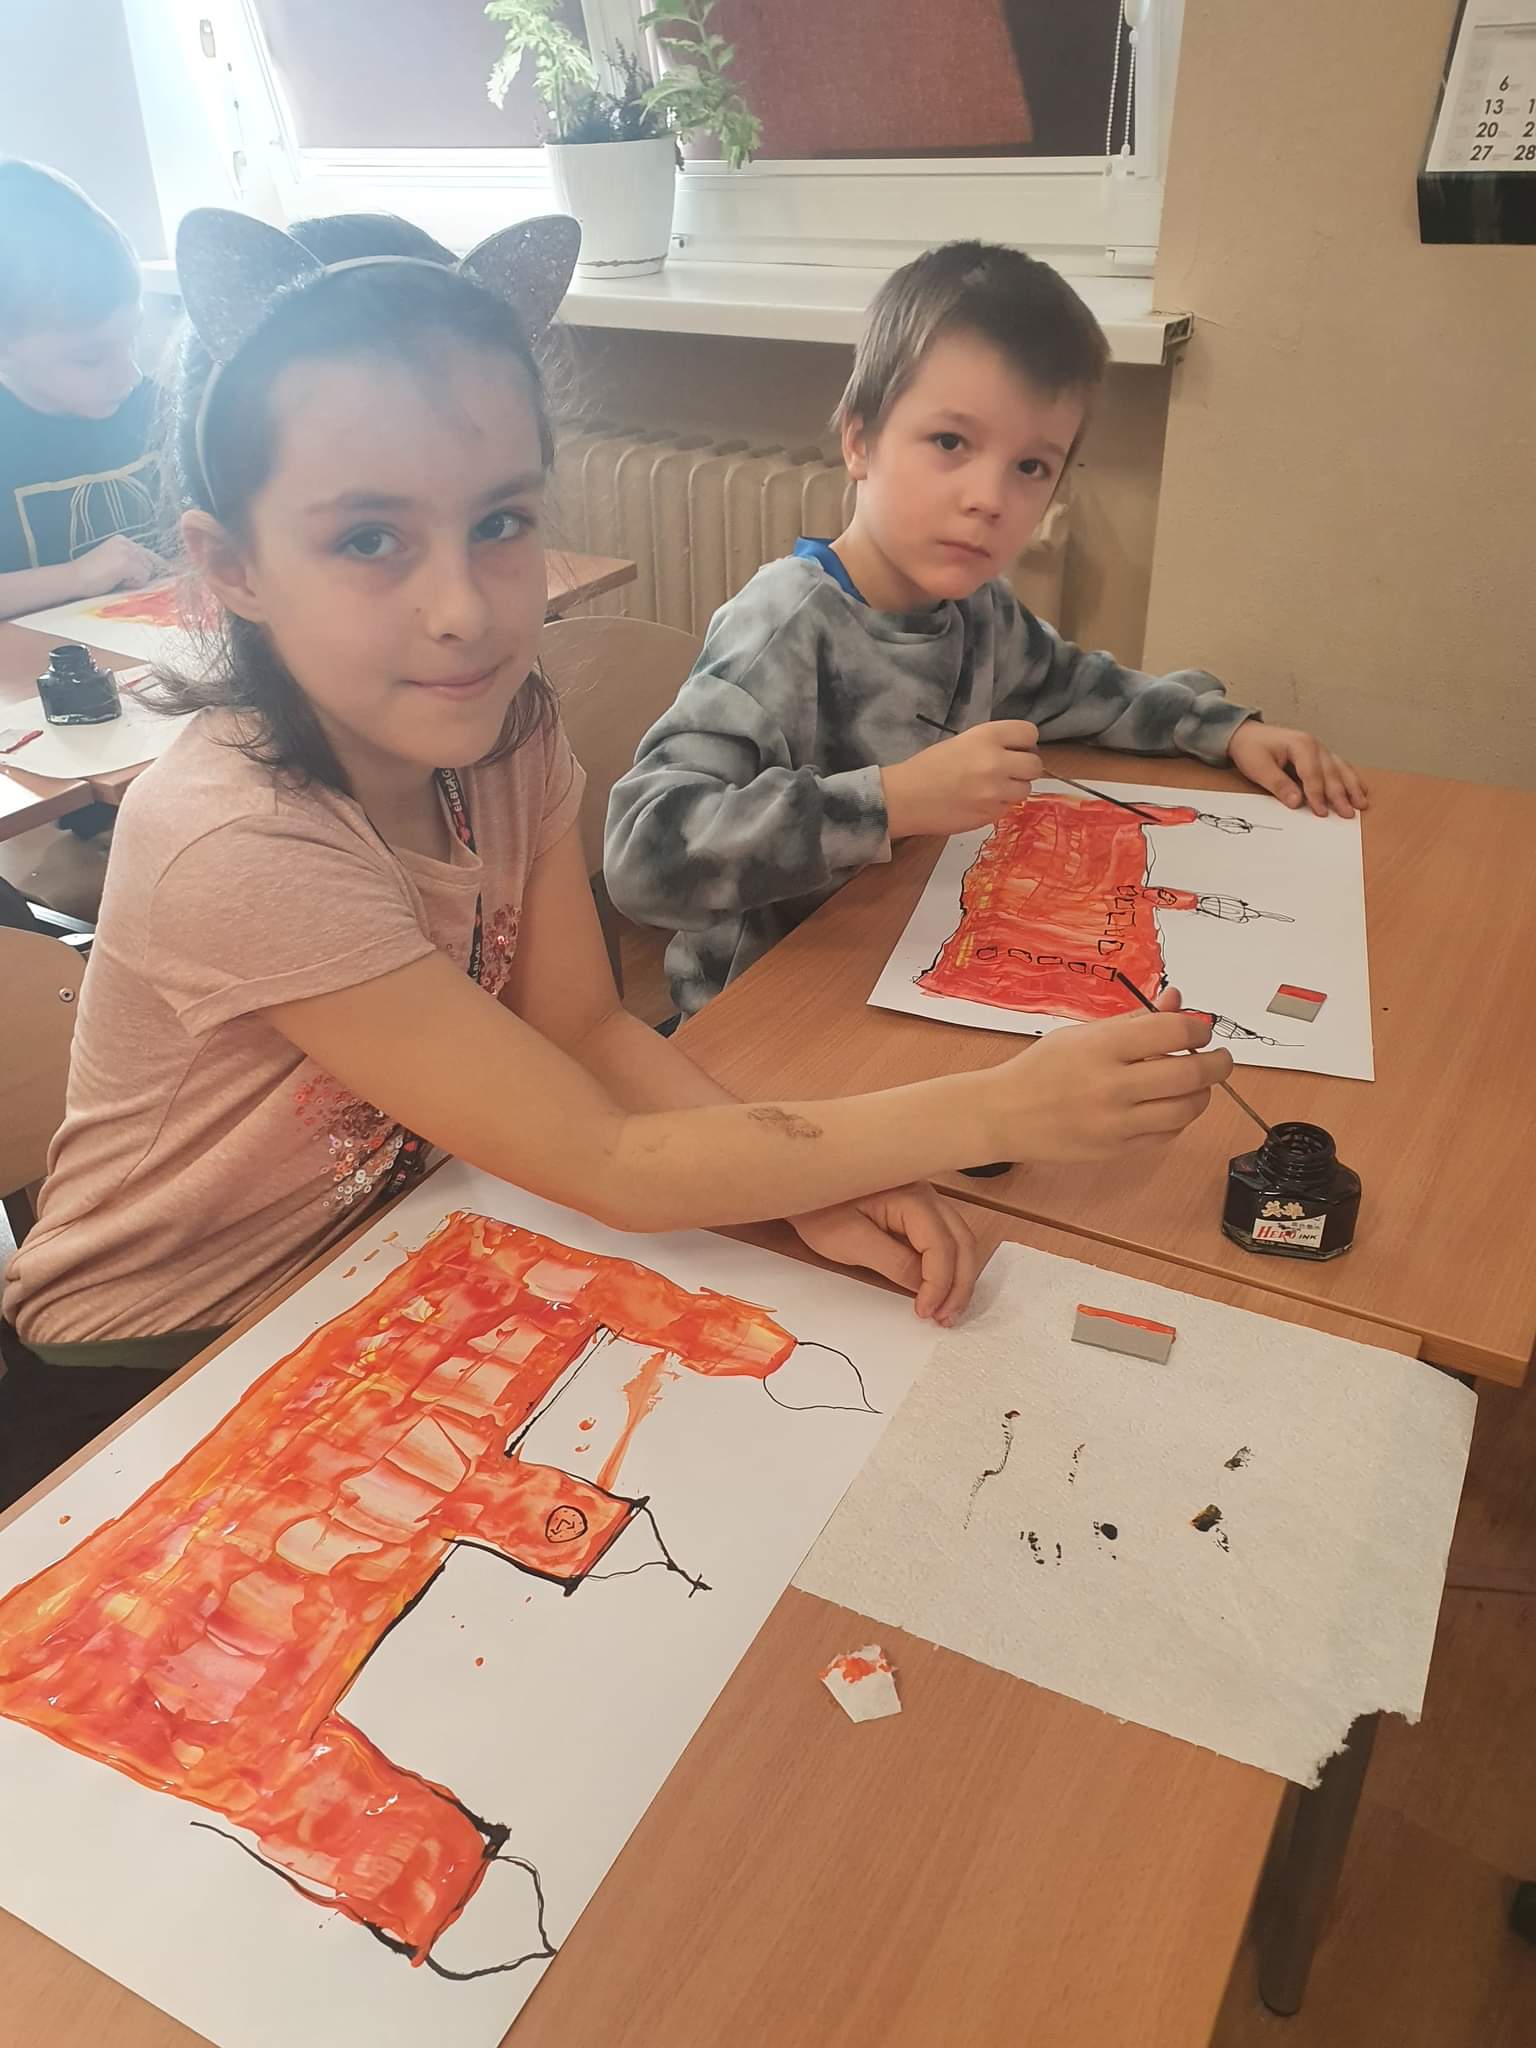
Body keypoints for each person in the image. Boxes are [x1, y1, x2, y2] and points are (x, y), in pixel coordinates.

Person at [0, 208, 1231, 1507]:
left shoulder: (504, 730)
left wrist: (803, 1188)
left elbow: (584, 1029)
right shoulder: (243, 837)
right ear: (232, 565)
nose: (464, 608)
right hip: (152, 1368)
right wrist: (993, 1110)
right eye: (367, 538)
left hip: (394, 1251)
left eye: (500, 519)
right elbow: (601, 1159)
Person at [603, 241, 1370, 1019]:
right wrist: (893, 801)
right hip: (763, 1019)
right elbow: (643, 855)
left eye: (1031, 467)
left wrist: (1227, 730)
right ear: (860, 440)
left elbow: (1083, 689)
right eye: (951, 443)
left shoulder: (980, 613)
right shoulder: (782, 630)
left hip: (906, 964)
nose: (990, 498)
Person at [0, 160, 164, 622]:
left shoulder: (155, 407)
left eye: (132, 338)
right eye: (89, 359)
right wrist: (74, 577)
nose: (129, 374)